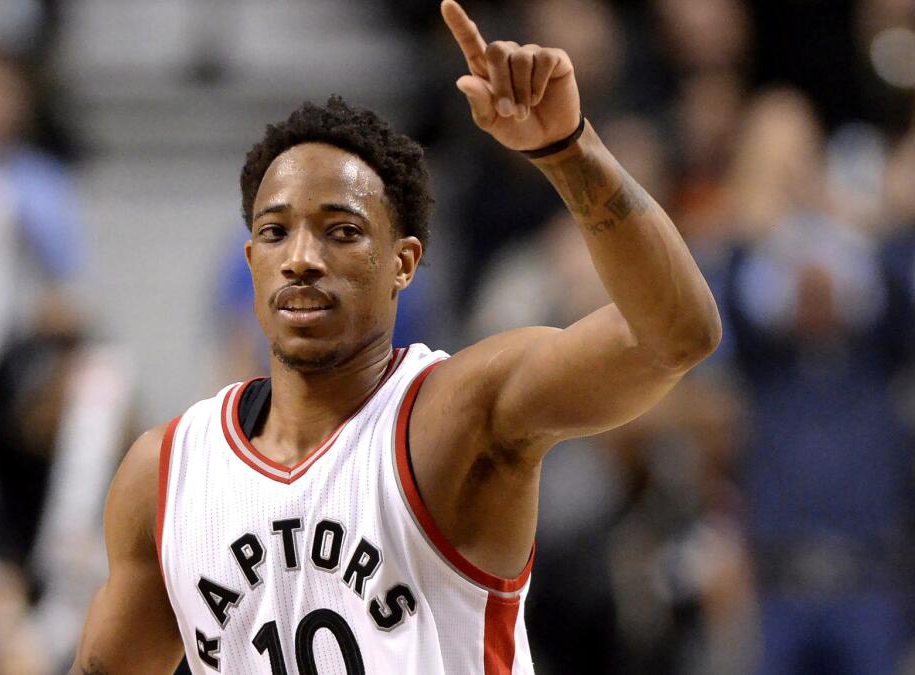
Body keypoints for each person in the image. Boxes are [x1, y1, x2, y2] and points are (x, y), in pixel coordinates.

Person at [71, 1, 721, 672]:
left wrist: (568, 150)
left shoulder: (455, 413)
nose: (301, 256)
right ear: (251, 263)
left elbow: (674, 335)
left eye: (341, 230)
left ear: (404, 263)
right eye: (275, 231)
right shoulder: (167, 474)